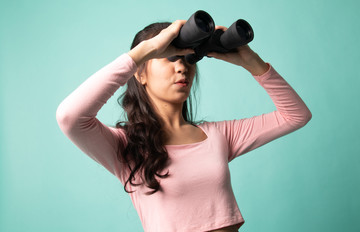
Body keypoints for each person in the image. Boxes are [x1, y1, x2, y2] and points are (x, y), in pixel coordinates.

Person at [56, 20, 312, 232]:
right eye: (169, 58)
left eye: (189, 60)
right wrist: (142, 53)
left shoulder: (218, 135)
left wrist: (252, 62)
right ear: (141, 74)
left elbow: (296, 115)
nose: (182, 67)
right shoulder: (124, 146)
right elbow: (70, 117)